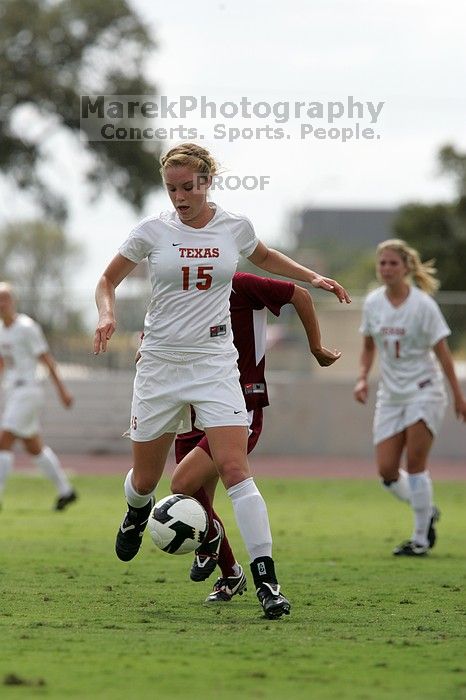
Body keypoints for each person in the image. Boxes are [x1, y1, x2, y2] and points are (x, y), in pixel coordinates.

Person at [94, 142, 351, 619]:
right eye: (172, 188)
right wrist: (107, 314)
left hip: (214, 363)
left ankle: (267, 582)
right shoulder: (151, 231)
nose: (180, 197)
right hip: (160, 365)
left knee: (235, 469)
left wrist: (315, 278)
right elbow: (107, 280)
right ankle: (134, 510)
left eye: (189, 186)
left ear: (207, 181)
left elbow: (268, 257)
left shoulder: (235, 227)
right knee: (148, 481)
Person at [171, 271, 341, 603]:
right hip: (190, 405)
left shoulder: (240, 283)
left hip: (239, 403)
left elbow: (301, 296)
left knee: (185, 484)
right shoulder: (177, 287)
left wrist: (316, 347)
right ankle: (231, 573)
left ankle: (263, 578)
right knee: (194, 497)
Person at [353, 239, 466, 556]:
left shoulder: (423, 305)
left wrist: (458, 396)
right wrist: (362, 379)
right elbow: (368, 348)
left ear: (406, 268)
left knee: (416, 464)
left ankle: (420, 538)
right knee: (387, 471)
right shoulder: (374, 302)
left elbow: (443, 354)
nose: (386, 268)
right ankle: (426, 508)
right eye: (382, 263)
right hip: (391, 395)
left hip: (424, 391)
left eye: (393, 263)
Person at [0, 282, 77, 510]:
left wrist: (62, 390)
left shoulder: (27, 327)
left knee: (3, 441)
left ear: (13, 302)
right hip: (14, 392)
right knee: (34, 446)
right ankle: (66, 491)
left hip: (29, 391)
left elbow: (47, 360)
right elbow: (3, 362)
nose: (2, 303)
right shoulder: (1, 330)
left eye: (5, 298)